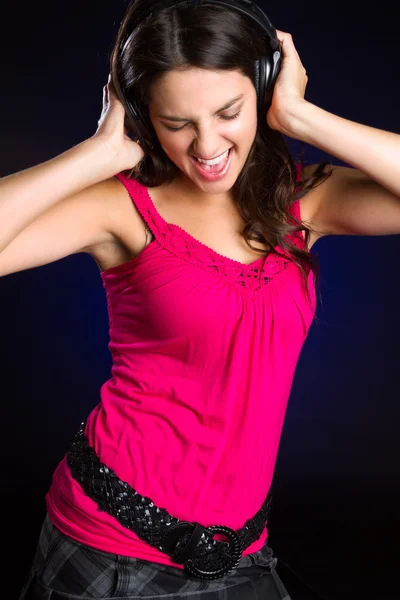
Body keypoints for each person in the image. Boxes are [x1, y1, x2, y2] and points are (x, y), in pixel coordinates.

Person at [8, 0, 399, 598]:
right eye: (176, 122)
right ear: (143, 116)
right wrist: (95, 154)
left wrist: (301, 116)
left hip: (242, 548)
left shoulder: (301, 200)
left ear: (262, 91)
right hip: (109, 549)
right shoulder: (120, 208)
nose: (206, 144)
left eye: (228, 111)